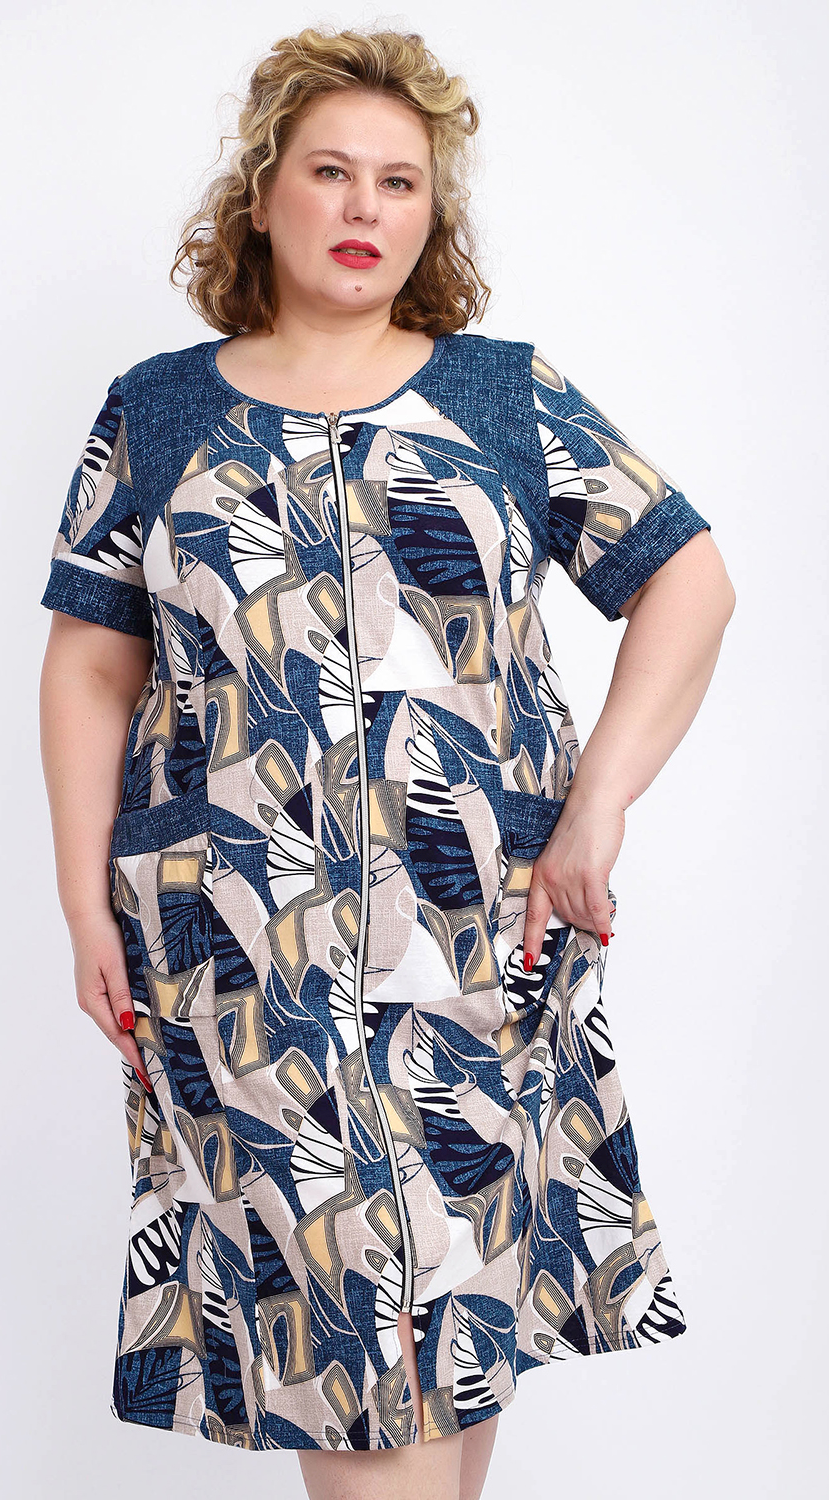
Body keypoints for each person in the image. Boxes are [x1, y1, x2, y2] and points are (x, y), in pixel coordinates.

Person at [38, 24, 735, 1498]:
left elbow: (687, 580)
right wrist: (83, 902)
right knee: (362, 1382)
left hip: (483, 941)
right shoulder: (156, 411)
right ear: (261, 197)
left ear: (431, 215)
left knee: (445, 1364)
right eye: (330, 172)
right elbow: (94, 663)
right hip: (247, 966)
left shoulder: (502, 394)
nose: (364, 207)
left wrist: (596, 807)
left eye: (400, 182)